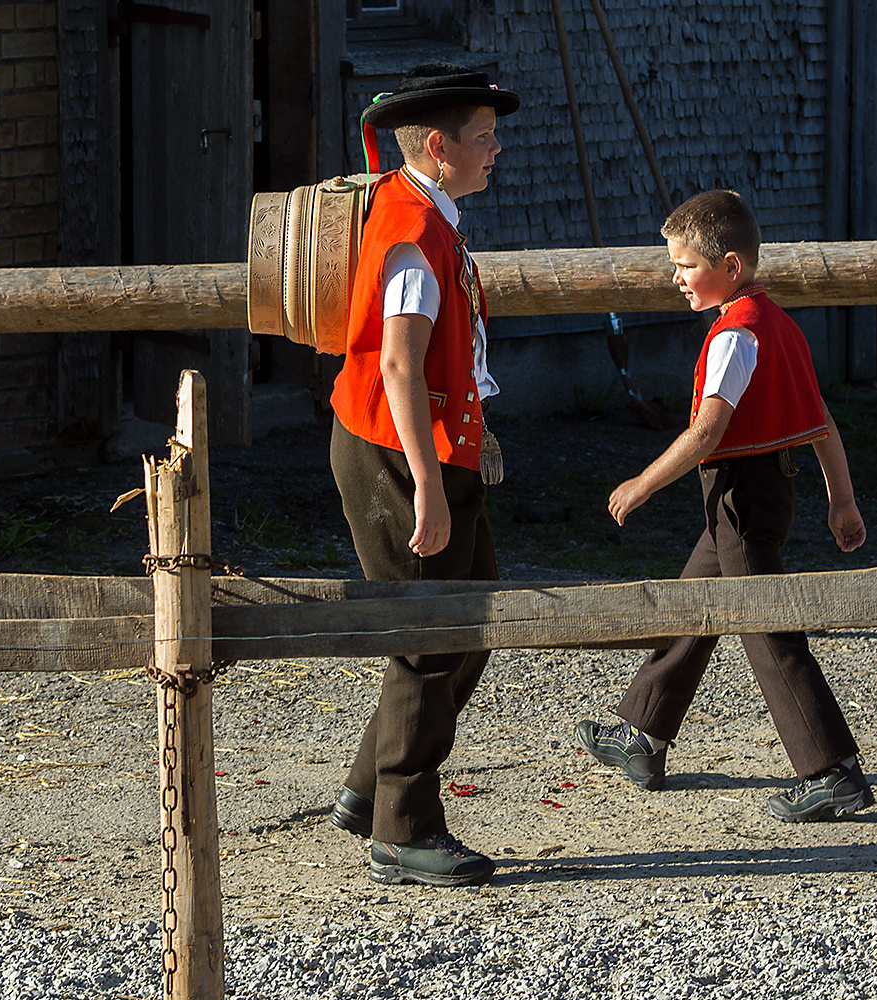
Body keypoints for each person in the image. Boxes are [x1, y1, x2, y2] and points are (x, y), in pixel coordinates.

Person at [575, 189, 874, 822]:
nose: (675, 278)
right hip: (757, 491)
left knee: (765, 626)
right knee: (697, 601)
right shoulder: (778, 323)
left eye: (685, 266)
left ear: (730, 267)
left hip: (741, 494)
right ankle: (644, 736)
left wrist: (642, 484)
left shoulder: (736, 338)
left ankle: (832, 771)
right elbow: (822, 426)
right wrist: (841, 501)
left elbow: (707, 434)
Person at [325, 63, 518, 886]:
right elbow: (400, 367)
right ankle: (403, 827)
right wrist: (428, 484)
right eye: (482, 139)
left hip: (433, 449)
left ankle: (370, 789)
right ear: (437, 148)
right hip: (398, 454)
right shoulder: (409, 227)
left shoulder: (431, 215)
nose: (496, 152)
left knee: (468, 618)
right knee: (428, 638)